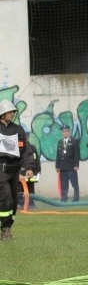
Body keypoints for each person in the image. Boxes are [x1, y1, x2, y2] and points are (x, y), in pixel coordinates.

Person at [0, 100, 35, 239]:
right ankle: (5, 230)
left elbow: (26, 149)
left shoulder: (18, 129)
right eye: (10, 112)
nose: (12, 114)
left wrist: (29, 166)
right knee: (6, 198)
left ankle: (7, 226)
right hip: (0, 169)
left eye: (13, 111)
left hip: (14, 170)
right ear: (2, 113)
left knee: (13, 201)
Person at [55, 125, 80, 202]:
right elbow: (58, 155)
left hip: (71, 166)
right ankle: (64, 198)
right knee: (64, 184)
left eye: (66, 131)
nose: (65, 133)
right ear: (62, 133)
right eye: (63, 131)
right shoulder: (60, 142)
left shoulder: (74, 141)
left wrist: (76, 165)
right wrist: (57, 166)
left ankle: (76, 198)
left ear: (69, 132)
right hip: (62, 167)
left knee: (74, 184)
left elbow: (77, 154)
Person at [18, 132, 41, 209]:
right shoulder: (18, 148)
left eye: (27, 137)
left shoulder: (32, 148)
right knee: (21, 189)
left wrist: (38, 170)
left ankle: (31, 204)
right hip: (21, 172)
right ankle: (21, 204)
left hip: (31, 171)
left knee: (31, 188)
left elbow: (36, 159)